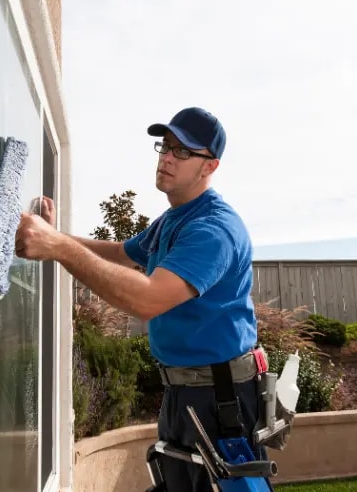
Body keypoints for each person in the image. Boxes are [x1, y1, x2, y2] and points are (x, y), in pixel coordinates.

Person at [15, 107, 266, 491]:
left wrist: (58, 247)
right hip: (185, 393)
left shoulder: (213, 229)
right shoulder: (173, 220)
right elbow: (120, 252)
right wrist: (56, 236)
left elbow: (148, 300)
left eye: (183, 152)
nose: (167, 157)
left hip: (220, 401)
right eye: (165, 146)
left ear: (209, 166)